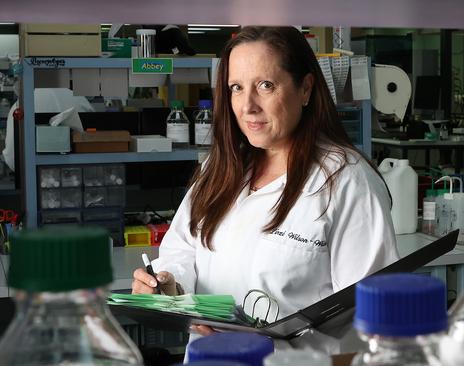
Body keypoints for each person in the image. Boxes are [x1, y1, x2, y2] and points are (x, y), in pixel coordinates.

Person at [132, 26, 398, 337]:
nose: (247, 106)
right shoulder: (221, 168)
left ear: (306, 89)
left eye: (265, 85)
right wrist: (166, 285)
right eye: (236, 87)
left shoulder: (347, 181)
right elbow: (183, 251)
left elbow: (372, 317)